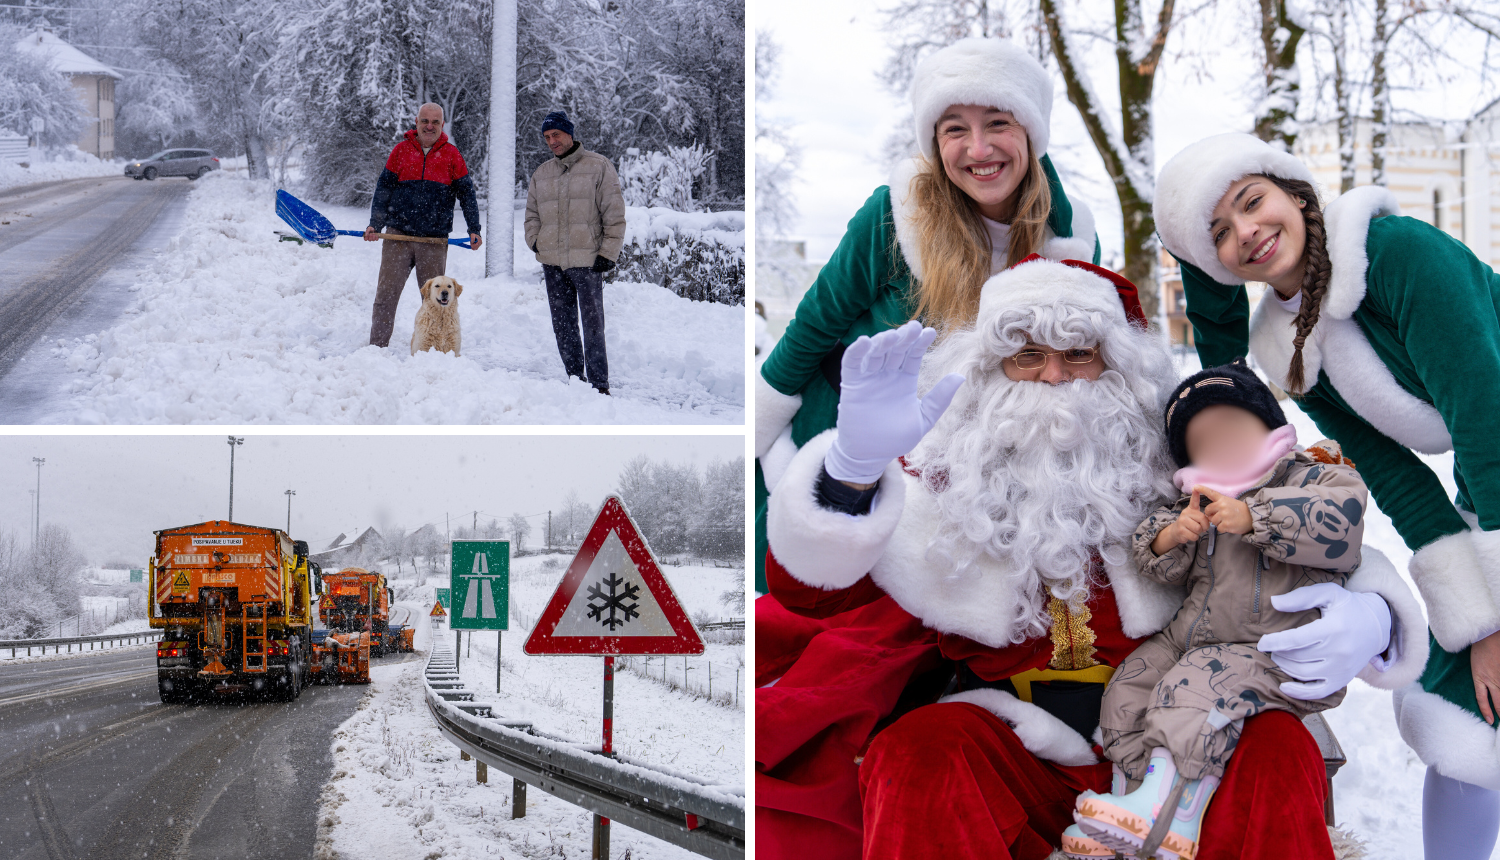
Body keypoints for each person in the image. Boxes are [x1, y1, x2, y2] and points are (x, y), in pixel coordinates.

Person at [754, 255, 1427, 860]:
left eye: (1079, 353)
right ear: (990, 368)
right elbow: (816, 593)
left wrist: (1374, 612)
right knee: (920, 753)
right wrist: (852, 470)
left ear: (1119, 368)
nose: (1052, 376)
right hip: (1021, 740)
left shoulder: (1175, 454)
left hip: (1187, 733)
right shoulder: (942, 471)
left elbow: (1302, 503)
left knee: (1279, 746)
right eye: (1025, 355)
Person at [1154, 131, 1500, 859]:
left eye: (1253, 202)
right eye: (1218, 232)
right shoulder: (1288, 347)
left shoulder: (1401, 255)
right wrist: (1473, 626)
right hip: (1486, 479)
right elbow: (1397, 475)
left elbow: (1486, 423)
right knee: (1462, 702)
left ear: (1297, 194)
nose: (1245, 232)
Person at [754, 37, 1101, 592]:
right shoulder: (895, 217)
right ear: (935, 143)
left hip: (968, 458)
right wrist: (759, 425)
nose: (978, 147)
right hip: (849, 437)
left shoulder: (1072, 239)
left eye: (998, 122)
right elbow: (813, 325)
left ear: (1032, 130)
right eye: (954, 129)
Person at [1073, 363, 1390, 859]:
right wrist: (1172, 536)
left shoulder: (1315, 476)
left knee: (1192, 686)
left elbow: (1340, 526)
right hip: (1196, 639)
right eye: (1206, 443)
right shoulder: (1195, 502)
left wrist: (1255, 516)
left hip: (1275, 646)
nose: (1223, 448)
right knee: (1130, 688)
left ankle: (1168, 810)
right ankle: (1141, 805)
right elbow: (1152, 559)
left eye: (1234, 431)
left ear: (1266, 424)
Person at [524, 110, 626, 395]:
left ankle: (599, 385)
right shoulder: (542, 174)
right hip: (552, 261)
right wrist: (536, 241)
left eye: (556, 134)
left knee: (593, 326)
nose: (552, 141)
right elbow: (531, 215)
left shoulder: (599, 166)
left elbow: (614, 214)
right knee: (563, 324)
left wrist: (609, 251)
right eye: (547, 137)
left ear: (570, 133)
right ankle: (574, 380)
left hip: (588, 260)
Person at [364, 102, 482, 348]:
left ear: (442, 124)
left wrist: (474, 229)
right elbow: (383, 189)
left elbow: (467, 194)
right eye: (425, 121)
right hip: (398, 236)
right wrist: (375, 224)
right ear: (416, 122)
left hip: (433, 240)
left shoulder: (451, 155)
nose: (430, 126)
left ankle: (432, 352)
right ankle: (376, 349)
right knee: (386, 295)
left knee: (435, 300)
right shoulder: (400, 151)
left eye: (435, 122)